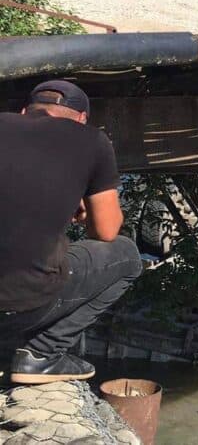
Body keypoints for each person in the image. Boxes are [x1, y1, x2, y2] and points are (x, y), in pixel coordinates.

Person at [0, 80, 141, 384]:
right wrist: (83, 205)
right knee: (127, 256)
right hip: (19, 307)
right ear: (81, 119)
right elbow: (105, 230)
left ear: (25, 111)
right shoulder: (92, 140)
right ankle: (41, 355)